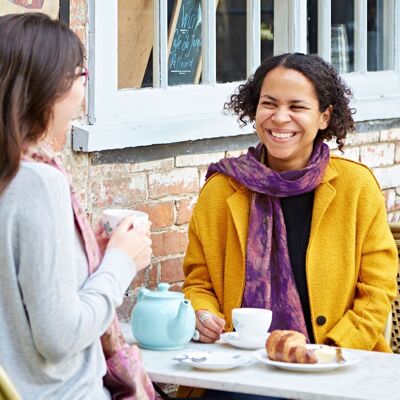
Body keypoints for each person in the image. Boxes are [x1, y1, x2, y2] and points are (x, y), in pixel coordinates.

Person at [179, 53, 398, 398]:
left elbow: (378, 289)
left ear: (324, 116)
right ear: (254, 110)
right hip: (239, 369)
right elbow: (198, 282)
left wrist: (329, 352)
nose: (280, 118)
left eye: (297, 106)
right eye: (269, 104)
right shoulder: (221, 190)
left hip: (335, 368)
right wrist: (203, 314)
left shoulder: (356, 188)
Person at [0, 13, 154, 399]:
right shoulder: (37, 181)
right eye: (81, 77)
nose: (83, 93)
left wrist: (92, 256)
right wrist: (121, 263)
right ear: (49, 86)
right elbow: (59, 336)